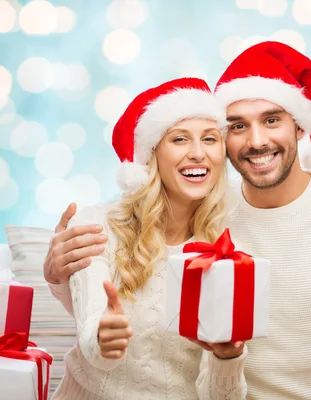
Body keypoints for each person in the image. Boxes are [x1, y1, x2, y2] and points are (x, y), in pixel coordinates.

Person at [46, 42, 311, 400]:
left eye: (272, 120)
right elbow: (130, 293)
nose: (256, 141)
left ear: (300, 127)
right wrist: (58, 275)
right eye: (238, 126)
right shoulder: (208, 218)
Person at [48, 77, 248, 399]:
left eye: (210, 139)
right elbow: (92, 337)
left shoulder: (226, 251)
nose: (198, 153)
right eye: (180, 139)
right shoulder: (99, 225)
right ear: (152, 154)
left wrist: (228, 356)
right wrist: (103, 339)